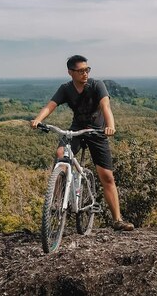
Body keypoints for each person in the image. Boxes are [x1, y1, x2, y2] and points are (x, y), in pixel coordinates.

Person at [30, 55, 135, 231]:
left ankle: (117, 219)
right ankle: (57, 200)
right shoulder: (66, 89)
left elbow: (105, 107)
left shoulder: (97, 85)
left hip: (96, 131)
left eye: (87, 70)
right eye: (80, 71)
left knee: (106, 176)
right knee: (60, 155)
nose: (85, 73)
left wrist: (110, 126)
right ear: (70, 72)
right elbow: (51, 105)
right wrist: (38, 120)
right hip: (76, 129)